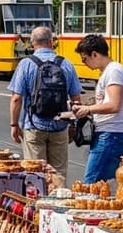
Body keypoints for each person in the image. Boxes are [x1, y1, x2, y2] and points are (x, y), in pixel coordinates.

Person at [8, 26, 82, 180]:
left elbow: (16, 98)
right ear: (51, 41)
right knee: (58, 173)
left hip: (33, 125)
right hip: (60, 126)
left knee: (35, 172)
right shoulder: (66, 64)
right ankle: (58, 194)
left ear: (32, 43)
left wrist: (14, 124)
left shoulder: (26, 64)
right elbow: (76, 99)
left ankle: (38, 196)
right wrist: (72, 125)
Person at [71, 34, 123, 184]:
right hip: (108, 134)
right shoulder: (109, 71)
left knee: (91, 183)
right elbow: (107, 101)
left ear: (95, 54)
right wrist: (86, 106)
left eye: (84, 59)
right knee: (98, 183)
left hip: (111, 134)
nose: (84, 63)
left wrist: (89, 110)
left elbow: (114, 105)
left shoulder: (113, 71)